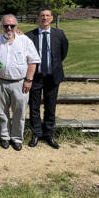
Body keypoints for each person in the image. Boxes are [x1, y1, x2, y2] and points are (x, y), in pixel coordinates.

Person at [0, 15, 40, 151]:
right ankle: (4, 136)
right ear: (1, 26)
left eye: (12, 26)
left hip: (20, 82)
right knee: (2, 112)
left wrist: (28, 80)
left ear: (16, 27)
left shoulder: (25, 41)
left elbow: (33, 61)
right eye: (6, 26)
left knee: (19, 112)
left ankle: (17, 138)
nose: (9, 28)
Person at [27, 8, 69, 149]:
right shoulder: (30, 36)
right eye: (42, 16)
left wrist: (53, 65)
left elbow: (63, 52)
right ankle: (37, 133)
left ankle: (49, 134)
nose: (44, 18)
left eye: (47, 16)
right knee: (34, 106)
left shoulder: (59, 34)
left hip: (53, 76)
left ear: (51, 18)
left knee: (50, 106)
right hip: (36, 77)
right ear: (38, 18)